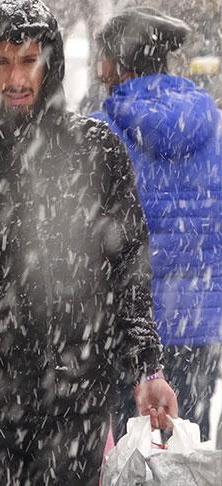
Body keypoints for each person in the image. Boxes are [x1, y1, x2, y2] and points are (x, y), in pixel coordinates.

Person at [0, 1, 178, 484]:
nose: (14, 78)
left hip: (76, 393)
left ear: (51, 62)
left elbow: (129, 267)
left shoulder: (95, 150)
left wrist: (147, 368)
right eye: (1, 62)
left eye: (28, 60)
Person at [93, 7, 222, 441]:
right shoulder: (215, 130)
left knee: (131, 453)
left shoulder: (99, 133)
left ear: (116, 63)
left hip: (128, 329)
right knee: (188, 454)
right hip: (198, 322)